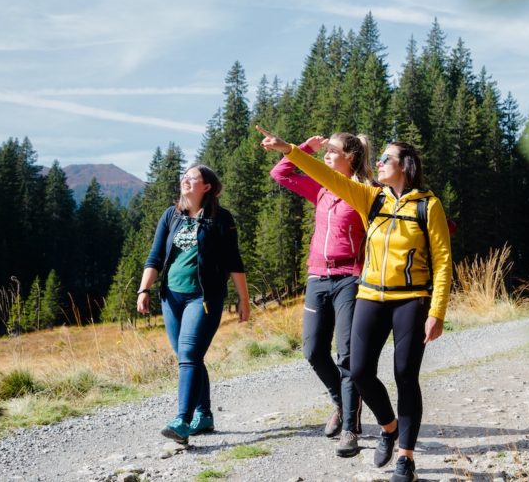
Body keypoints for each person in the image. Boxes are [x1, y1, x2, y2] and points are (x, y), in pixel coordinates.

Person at [257, 126, 452, 482]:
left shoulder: (429, 205)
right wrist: (289, 148)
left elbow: (442, 260)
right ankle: (389, 427)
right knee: (359, 371)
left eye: (385, 159)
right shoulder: (370, 198)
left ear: (404, 166)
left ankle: (405, 458)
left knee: (405, 376)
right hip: (369, 296)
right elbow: (323, 174)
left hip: (411, 300)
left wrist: (436, 311)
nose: (377, 162)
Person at [269, 133, 371, 457]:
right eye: (324, 152)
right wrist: (306, 149)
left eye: (332, 151)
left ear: (351, 157)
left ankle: (351, 430)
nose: (326, 155)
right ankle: (342, 404)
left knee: (346, 355)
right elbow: (280, 174)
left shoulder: (364, 192)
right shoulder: (322, 189)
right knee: (313, 350)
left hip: (349, 279)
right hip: (317, 277)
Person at [136, 164, 250, 445]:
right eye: (183, 177)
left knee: (188, 354)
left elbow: (234, 262)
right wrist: (144, 289)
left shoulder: (220, 219)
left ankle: (182, 421)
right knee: (190, 357)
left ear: (206, 187)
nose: (185, 181)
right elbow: (154, 257)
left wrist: (244, 301)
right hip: (171, 298)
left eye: (192, 178)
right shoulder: (171, 215)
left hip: (204, 298)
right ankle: (204, 414)